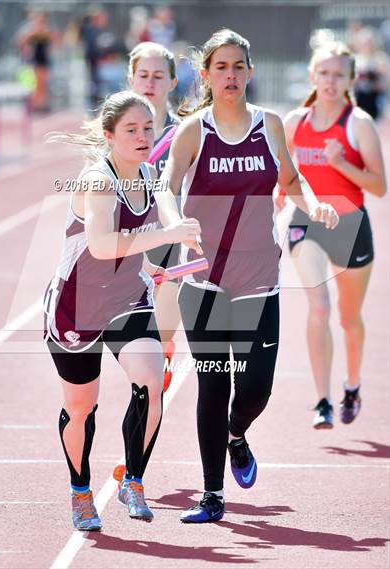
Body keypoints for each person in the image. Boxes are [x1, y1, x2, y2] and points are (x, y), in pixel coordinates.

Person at [154, 28, 339, 523]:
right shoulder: (195, 130)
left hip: (259, 277)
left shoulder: (269, 125)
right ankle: (212, 494)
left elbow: (291, 179)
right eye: (221, 68)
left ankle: (237, 434)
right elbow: (166, 186)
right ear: (207, 76)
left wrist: (314, 205)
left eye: (238, 67)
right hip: (206, 281)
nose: (231, 75)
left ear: (250, 72)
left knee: (256, 386)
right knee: (213, 384)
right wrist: (173, 220)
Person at [44, 90, 201, 530]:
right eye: (131, 129)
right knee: (81, 407)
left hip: (126, 298)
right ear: (110, 136)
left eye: (148, 127)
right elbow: (101, 245)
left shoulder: (149, 174)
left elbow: (131, 248)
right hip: (78, 305)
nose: (143, 136)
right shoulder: (98, 180)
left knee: (152, 380)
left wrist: (153, 267)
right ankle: (80, 491)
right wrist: (169, 234)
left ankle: (133, 480)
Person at [281, 42, 387, 429]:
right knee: (319, 308)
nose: (330, 81)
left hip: (350, 226)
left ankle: (352, 385)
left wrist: (341, 163)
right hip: (307, 224)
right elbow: (285, 170)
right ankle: (323, 399)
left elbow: (379, 187)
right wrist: (280, 193)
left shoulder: (358, 124)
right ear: (312, 76)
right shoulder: (294, 121)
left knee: (347, 317)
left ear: (350, 80)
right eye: (323, 73)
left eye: (338, 74)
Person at [129, 41, 180, 390]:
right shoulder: (114, 132)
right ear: (131, 79)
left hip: (171, 249)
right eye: (143, 74)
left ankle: (164, 357)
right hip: (127, 248)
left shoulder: (185, 134)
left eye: (158, 75)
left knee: (159, 342)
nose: (150, 82)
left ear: (172, 82)